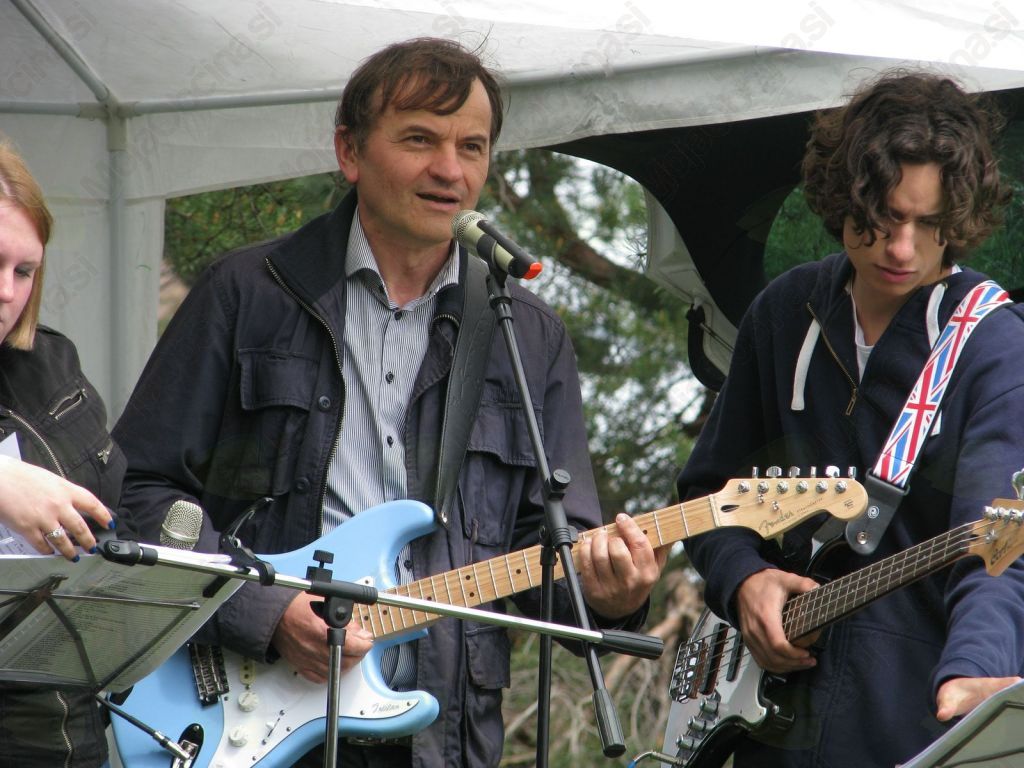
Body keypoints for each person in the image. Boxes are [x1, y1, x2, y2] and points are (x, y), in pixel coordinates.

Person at [113, 37, 665, 767]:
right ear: (350, 151)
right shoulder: (244, 294)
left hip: (443, 737)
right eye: (419, 139)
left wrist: (612, 595)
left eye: (472, 147)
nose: (450, 170)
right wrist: (264, 611)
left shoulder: (526, 334)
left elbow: (554, 554)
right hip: (247, 712)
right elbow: (138, 490)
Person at [679, 70, 1024, 767]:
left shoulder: (997, 346)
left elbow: (1003, 541)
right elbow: (710, 494)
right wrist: (743, 579)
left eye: (929, 224)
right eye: (885, 217)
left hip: (910, 729)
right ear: (843, 199)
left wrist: (976, 671)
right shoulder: (784, 311)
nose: (902, 248)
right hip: (762, 730)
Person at [0, 139, 121, 766]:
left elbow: (123, 507)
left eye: (25, 271)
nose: (6, 292)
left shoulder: (49, 361)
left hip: (62, 732)